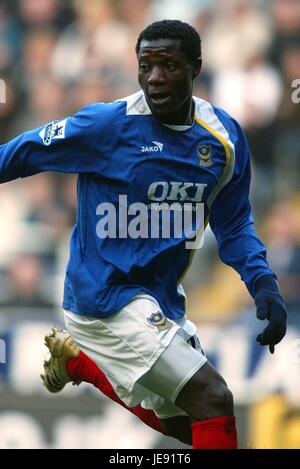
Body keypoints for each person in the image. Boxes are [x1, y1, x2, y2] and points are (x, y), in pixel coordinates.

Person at [1, 20, 288, 449]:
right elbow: (21, 153)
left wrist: (263, 282)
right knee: (214, 397)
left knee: (190, 425)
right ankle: (83, 355)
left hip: (159, 297)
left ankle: (80, 364)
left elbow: (233, 223)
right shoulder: (107, 126)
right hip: (103, 298)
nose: (155, 78)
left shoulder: (223, 139)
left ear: (196, 68)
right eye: (146, 66)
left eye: (168, 66)